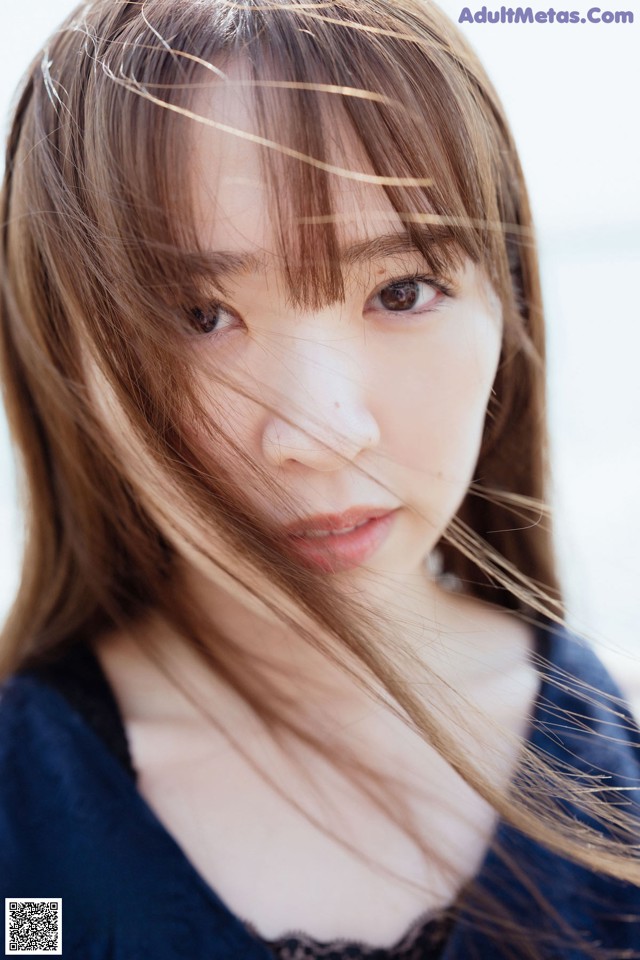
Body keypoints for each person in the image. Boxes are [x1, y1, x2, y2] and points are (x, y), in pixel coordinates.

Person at [0, 0, 638, 957]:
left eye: (401, 291)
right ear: (68, 361)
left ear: (506, 306)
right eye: (199, 315)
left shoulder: (614, 775)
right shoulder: (27, 857)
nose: (322, 434)